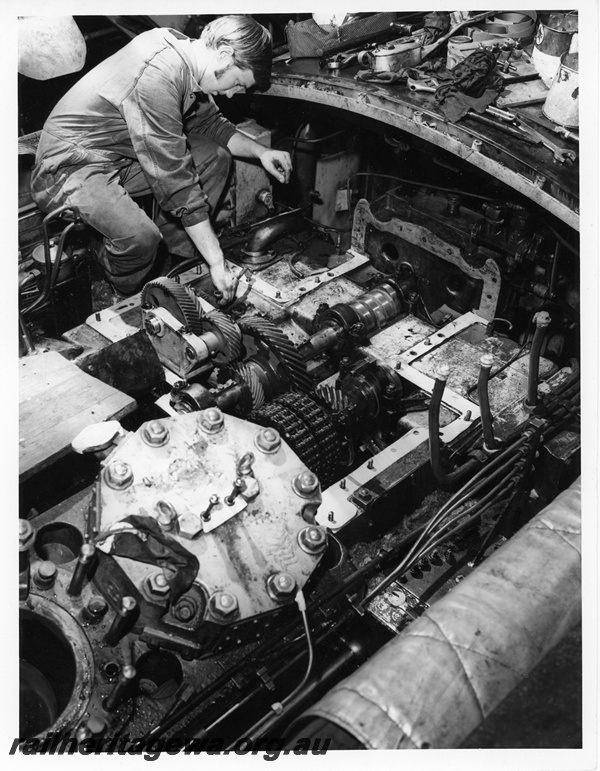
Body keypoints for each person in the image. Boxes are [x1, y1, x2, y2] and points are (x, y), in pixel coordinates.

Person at [30, 15, 292, 300]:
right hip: (68, 165)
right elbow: (174, 180)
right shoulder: (158, 74)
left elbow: (210, 125)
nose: (231, 95)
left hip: (118, 156)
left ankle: (176, 261)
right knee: (140, 238)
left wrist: (261, 152)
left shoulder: (187, 57)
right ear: (225, 54)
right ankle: (118, 289)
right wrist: (217, 261)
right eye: (238, 83)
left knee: (214, 157)